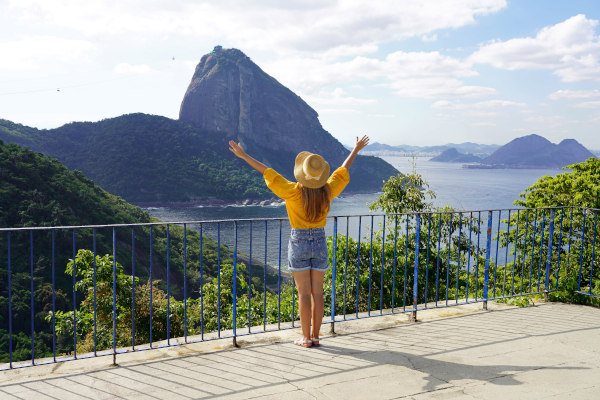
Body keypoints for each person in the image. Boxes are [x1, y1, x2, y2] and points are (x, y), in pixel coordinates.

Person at [228, 135, 369, 348]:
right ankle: (315, 336)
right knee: (318, 293)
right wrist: (356, 149)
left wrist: (244, 155)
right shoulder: (328, 191)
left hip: (299, 241)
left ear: (302, 174)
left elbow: (267, 172)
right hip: (320, 240)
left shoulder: (292, 192)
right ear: (320, 175)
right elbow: (343, 170)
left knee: (303, 294)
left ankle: (305, 339)